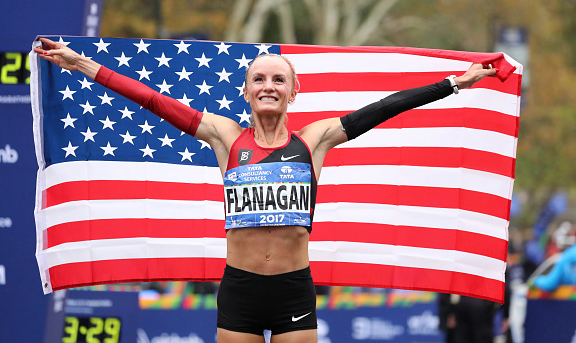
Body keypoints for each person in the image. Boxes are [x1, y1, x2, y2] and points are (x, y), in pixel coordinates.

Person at [34, 37, 497, 343]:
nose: (269, 86)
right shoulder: (224, 137)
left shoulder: (314, 140)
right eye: (260, 79)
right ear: (246, 91)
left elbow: (385, 108)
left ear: (293, 92)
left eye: (279, 80)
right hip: (240, 291)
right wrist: (81, 64)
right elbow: (152, 100)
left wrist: (457, 82)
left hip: (294, 290)